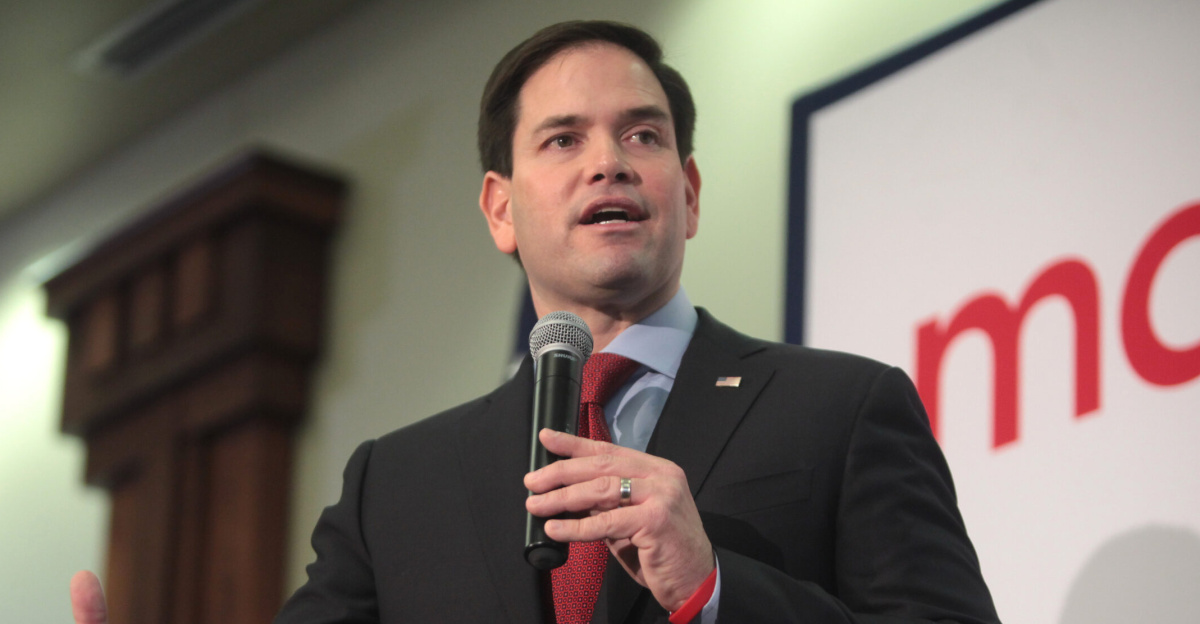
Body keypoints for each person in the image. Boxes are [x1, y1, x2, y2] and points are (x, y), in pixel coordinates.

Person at [73, 20, 1000, 624]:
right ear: (500, 209)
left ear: (689, 191)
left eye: (643, 136)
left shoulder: (840, 408)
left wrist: (716, 590)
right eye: (564, 140)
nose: (610, 163)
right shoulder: (394, 487)